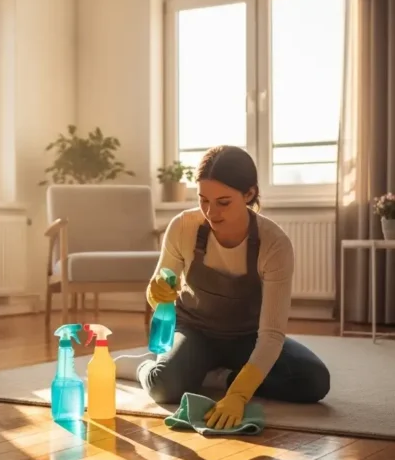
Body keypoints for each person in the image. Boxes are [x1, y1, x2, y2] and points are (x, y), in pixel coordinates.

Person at [139, 145, 330, 430]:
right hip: (195, 331)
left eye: (223, 202)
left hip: (247, 337)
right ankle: (144, 366)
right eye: (203, 200)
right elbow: (157, 296)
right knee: (164, 387)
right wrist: (157, 293)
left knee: (314, 381)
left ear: (249, 194)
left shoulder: (274, 244)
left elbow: (272, 334)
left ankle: (220, 377)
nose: (210, 212)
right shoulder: (184, 227)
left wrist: (238, 394)